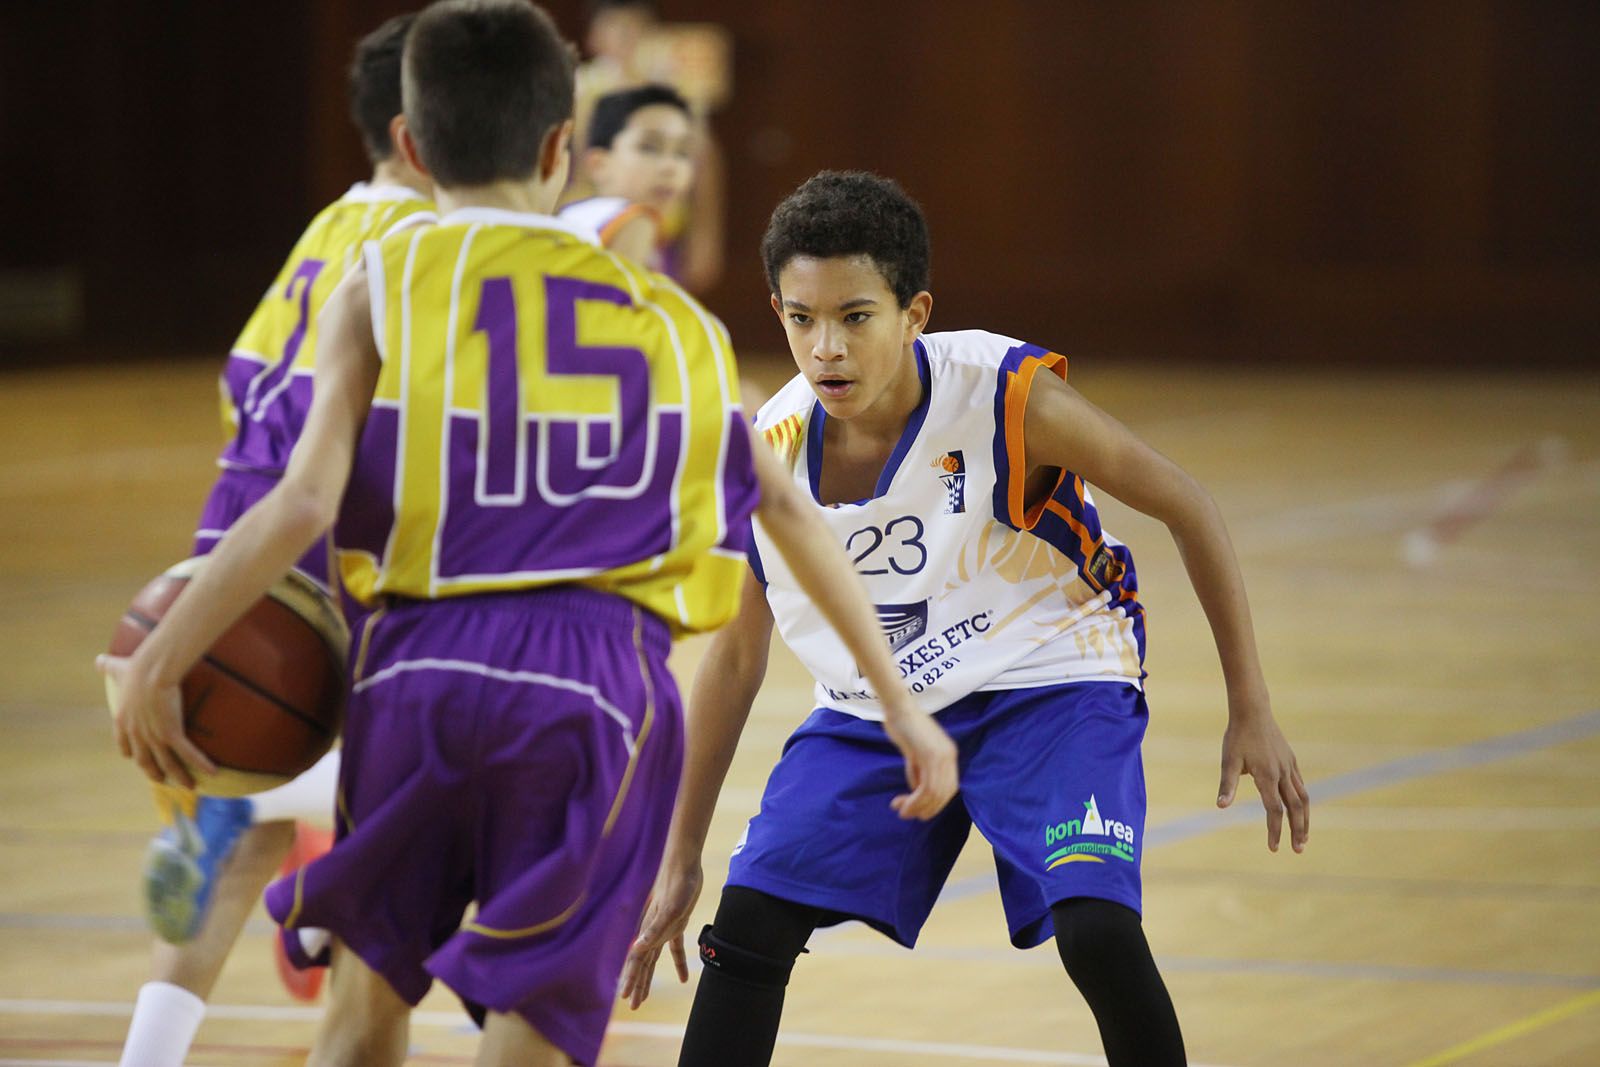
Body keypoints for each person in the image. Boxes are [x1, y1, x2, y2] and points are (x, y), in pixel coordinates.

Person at [99, 8, 956, 1066]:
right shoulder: (679, 326)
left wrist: (166, 656)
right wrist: (902, 703)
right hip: (599, 691)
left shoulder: (378, 282)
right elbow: (787, 512)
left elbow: (302, 506)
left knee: (362, 1016)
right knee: (532, 1033)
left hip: (418, 669)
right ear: (563, 148)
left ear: (411, 145)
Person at [618, 171, 1312, 1067]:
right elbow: (735, 657)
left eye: (855, 316)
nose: (825, 347)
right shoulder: (771, 450)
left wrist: (1250, 703)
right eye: (800, 318)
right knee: (746, 924)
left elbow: (1188, 505)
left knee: (1096, 930)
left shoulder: (1002, 396)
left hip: (1052, 675)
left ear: (915, 313)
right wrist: (681, 852)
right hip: (882, 706)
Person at [115, 14, 434, 1067]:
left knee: (231, 838)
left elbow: (240, 388)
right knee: (417, 826)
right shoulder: (418, 249)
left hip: (217, 555)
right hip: (305, 581)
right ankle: (324, 883)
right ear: (428, 127)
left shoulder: (328, 226)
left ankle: (153, 1050)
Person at [560, 84, 693, 270]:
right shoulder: (637, 222)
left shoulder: (570, 215)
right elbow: (621, 299)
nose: (670, 167)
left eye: (683, 152)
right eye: (649, 147)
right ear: (598, 164)